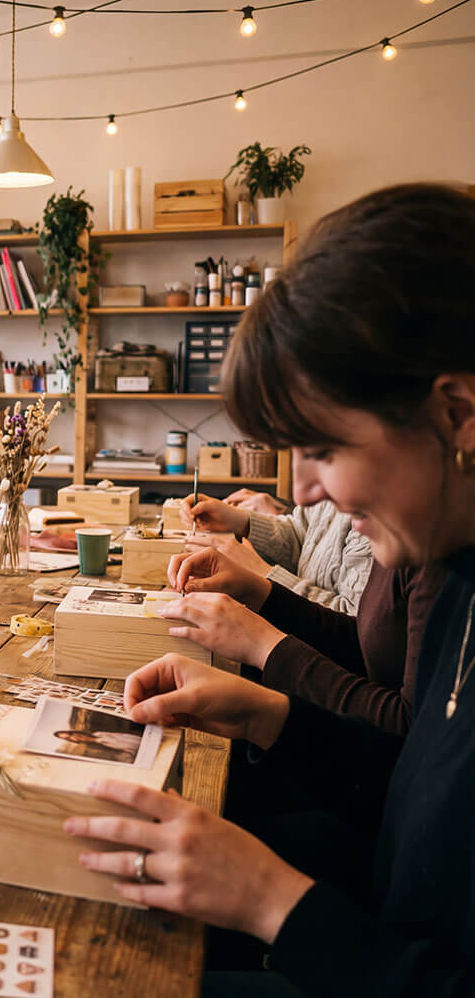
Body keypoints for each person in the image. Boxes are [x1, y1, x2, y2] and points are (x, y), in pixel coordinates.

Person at [64, 184, 475, 995]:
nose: (304, 490)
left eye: (321, 446)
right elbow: (411, 794)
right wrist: (262, 710)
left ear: (458, 413)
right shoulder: (454, 570)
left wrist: (271, 899)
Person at [165, 545, 443, 735]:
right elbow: (370, 648)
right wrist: (261, 592)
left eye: (322, 456)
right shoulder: (406, 536)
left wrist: (266, 647)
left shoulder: (441, 559)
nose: (302, 494)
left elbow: (410, 733)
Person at [179, 494, 371, 614]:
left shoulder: (374, 518)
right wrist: (241, 522)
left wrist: (260, 573)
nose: (299, 494)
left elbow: (352, 624)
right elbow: (300, 534)